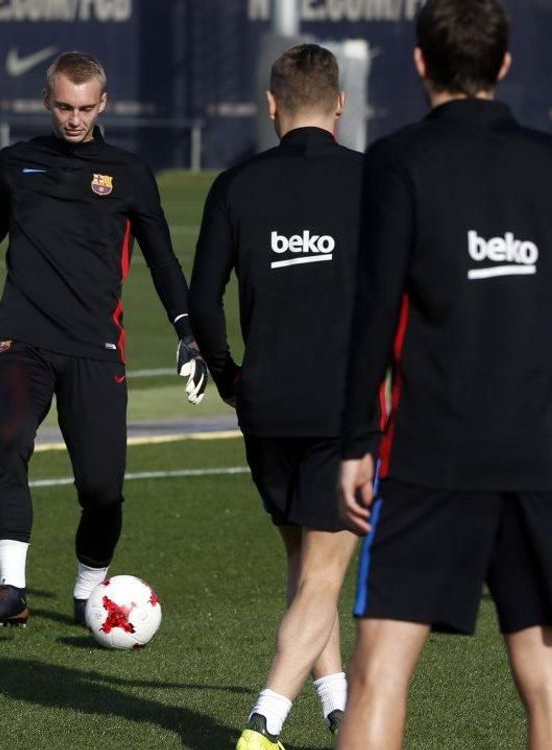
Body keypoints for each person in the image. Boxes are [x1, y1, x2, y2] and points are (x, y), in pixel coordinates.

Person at [336, 1, 552, 746]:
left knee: (378, 671)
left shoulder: (398, 160)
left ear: (418, 62)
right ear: (504, 65)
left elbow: (374, 310)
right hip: (527, 463)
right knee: (548, 682)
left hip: (424, 461)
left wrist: (354, 441)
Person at [0, 52, 208, 627]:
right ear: (48, 102)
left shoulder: (130, 173)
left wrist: (187, 334)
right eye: (65, 107)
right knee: (11, 440)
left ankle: (88, 588)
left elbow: (163, 260)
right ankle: (11, 587)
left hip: (96, 346)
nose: (75, 118)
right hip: (21, 337)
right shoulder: (16, 162)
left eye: (86, 108)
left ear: (103, 105)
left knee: (102, 491)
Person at [189, 44, 361, 749]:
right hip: (342, 408)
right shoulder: (374, 181)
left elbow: (202, 302)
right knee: (324, 577)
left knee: (304, 566)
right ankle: (265, 722)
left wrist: (231, 377)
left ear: (271, 105)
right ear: (340, 105)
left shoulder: (235, 183)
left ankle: (338, 709)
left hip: (263, 404)